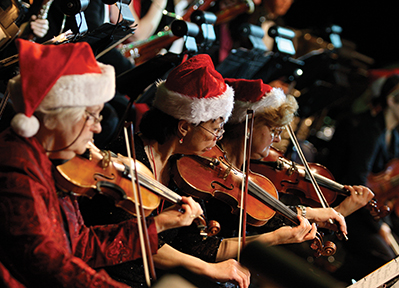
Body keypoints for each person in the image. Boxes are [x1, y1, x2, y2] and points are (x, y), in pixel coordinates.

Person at [79, 53, 330, 288]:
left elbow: (198, 246)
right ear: (185, 127)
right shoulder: (128, 157)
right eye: (215, 128)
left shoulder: (182, 169)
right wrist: (208, 269)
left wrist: (281, 235)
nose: (218, 138)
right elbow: (132, 242)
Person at [0, 39, 203, 287]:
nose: (97, 127)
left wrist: (157, 224)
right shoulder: (16, 168)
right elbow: (48, 264)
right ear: (60, 115)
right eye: (93, 115)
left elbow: (80, 244)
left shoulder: (54, 158)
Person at [323, 73, 399, 283]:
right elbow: (358, 182)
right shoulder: (370, 131)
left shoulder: (394, 137)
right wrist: (379, 224)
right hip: (353, 210)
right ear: (392, 100)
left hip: (373, 212)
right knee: (385, 260)